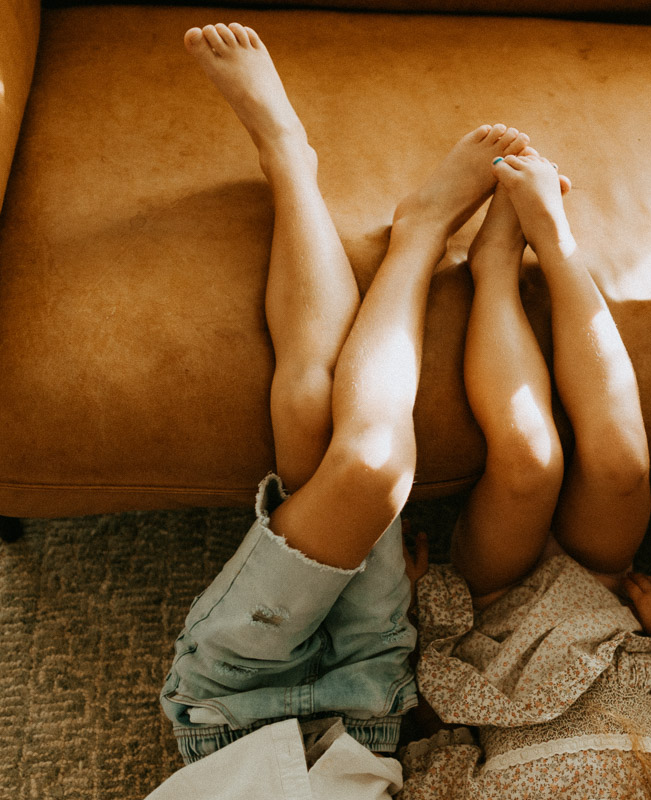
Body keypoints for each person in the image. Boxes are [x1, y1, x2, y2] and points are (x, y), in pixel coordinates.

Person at [150, 23, 538, 798]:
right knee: (314, 417)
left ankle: (379, 211)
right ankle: (325, 183)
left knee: (361, 461)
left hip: (232, 707)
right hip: (370, 703)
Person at [395, 118, 651, 800]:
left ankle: (494, 268)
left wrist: (417, 611)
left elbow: (434, 739)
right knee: (621, 465)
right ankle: (558, 245)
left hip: (493, 605)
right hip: (604, 588)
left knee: (530, 464)